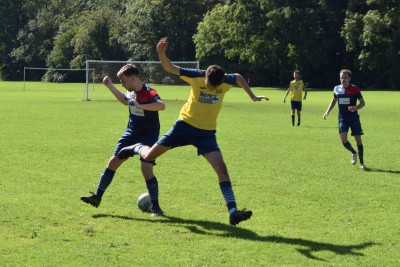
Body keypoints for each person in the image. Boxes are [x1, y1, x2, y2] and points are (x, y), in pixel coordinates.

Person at [118, 37, 269, 226]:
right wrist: (161, 53)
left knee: (222, 169)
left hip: (206, 133)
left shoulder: (226, 80)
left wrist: (253, 96)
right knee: (148, 156)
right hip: (184, 126)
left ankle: (233, 211)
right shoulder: (196, 76)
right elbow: (170, 68)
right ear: (204, 77)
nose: (212, 89)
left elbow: (238, 76)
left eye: (215, 87)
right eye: (209, 85)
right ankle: (134, 147)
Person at [80, 64, 166, 216]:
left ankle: (156, 208)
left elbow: (161, 105)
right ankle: (97, 197)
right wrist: (109, 86)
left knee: (146, 170)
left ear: (133, 78)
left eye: (124, 81)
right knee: (113, 162)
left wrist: (141, 105)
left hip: (148, 135)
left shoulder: (149, 91)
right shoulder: (130, 92)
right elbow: (125, 101)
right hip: (131, 133)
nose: (123, 84)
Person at [323, 69, 367, 170]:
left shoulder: (355, 89)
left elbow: (362, 103)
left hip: (354, 118)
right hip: (342, 118)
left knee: (358, 140)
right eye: (341, 77)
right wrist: (327, 111)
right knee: (343, 139)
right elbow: (334, 100)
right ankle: (353, 152)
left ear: (349, 78)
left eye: (345, 77)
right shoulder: (336, 88)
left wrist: (355, 107)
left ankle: (362, 163)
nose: (342, 79)